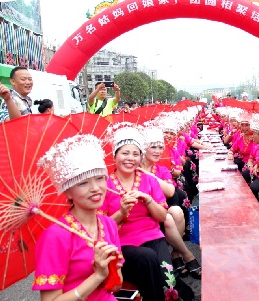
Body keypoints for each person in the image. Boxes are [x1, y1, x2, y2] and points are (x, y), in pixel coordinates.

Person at [34, 135, 122, 301]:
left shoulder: (108, 224)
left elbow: (117, 286)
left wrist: (108, 269)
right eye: (83, 183)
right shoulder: (55, 236)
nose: (95, 188)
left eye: (99, 178)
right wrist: (97, 276)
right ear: (67, 191)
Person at [100, 123, 178, 301]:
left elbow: (162, 216)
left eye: (135, 154)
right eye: (125, 153)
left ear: (141, 157)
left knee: (169, 281)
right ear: (115, 156)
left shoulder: (149, 180)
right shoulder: (105, 185)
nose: (130, 158)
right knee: (147, 259)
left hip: (153, 236)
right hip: (122, 242)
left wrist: (148, 200)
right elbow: (101, 227)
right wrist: (121, 211)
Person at [140, 122, 202, 279]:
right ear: (143, 148)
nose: (158, 151)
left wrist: (149, 176)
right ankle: (186, 255)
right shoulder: (131, 170)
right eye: (153, 147)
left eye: (160, 147)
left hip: (161, 208)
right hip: (142, 214)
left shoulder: (161, 169)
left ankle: (175, 253)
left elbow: (169, 191)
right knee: (171, 214)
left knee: (176, 210)